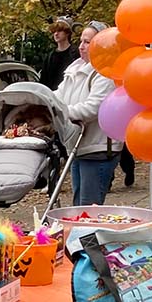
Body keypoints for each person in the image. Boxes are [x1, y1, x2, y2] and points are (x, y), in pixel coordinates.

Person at [54, 21, 118, 206]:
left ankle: (87, 236)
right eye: (81, 41)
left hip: (97, 148)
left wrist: (61, 113)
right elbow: (57, 96)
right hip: (79, 147)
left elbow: (92, 108)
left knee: (88, 209)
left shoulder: (105, 74)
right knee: (79, 206)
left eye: (87, 42)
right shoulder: (74, 70)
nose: (81, 46)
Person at [39, 17, 79, 90]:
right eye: (54, 31)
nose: (56, 34)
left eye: (59, 31)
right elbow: (44, 80)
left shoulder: (76, 54)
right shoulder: (50, 56)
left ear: (67, 33)